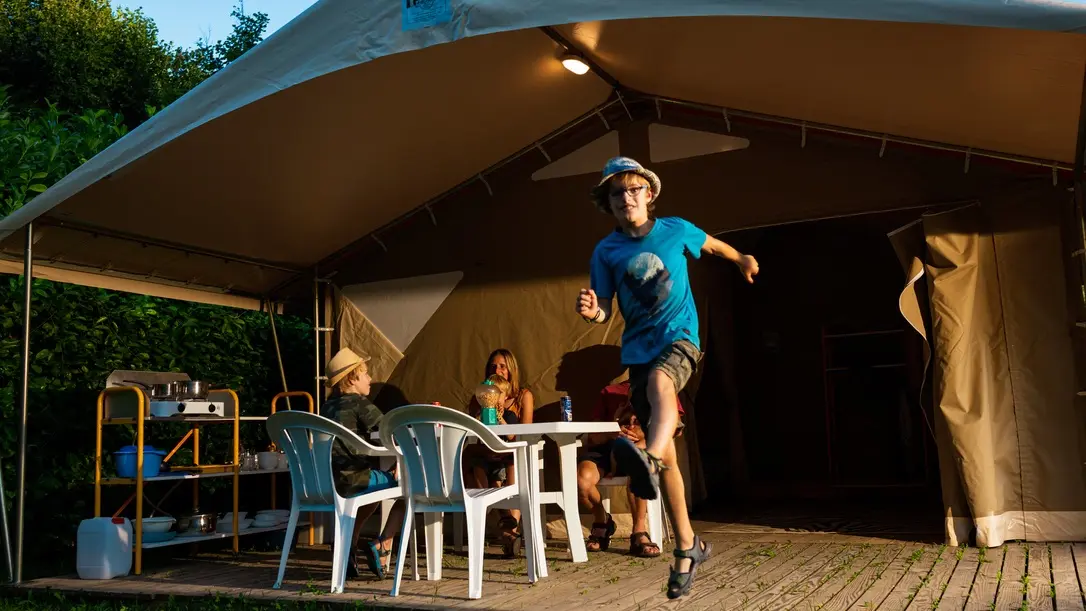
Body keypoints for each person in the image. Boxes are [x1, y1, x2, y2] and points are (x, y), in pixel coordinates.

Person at [575, 157, 759, 599]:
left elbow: (714, 246)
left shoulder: (676, 229)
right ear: (609, 203)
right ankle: (688, 547)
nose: (626, 198)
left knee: (662, 386)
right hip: (637, 353)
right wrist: (592, 310)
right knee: (671, 453)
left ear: (649, 194)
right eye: (617, 194)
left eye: (634, 189)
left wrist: (742, 259)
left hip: (680, 340)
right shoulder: (606, 251)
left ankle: (649, 461)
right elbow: (603, 306)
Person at [320, 348, 403, 580]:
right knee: (413, 486)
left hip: (327, 481)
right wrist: (402, 461)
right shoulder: (358, 403)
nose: (370, 379)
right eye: (365, 374)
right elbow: (390, 430)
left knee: (373, 494)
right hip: (354, 478)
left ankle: (348, 545)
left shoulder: (327, 407)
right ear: (353, 379)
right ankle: (382, 544)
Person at [577, 380, 684, 557]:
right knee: (582, 480)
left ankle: (638, 532)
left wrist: (645, 441)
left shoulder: (664, 387)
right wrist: (612, 431)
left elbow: (675, 427)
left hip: (642, 448)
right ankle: (602, 521)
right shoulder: (610, 391)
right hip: (608, 448)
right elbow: (593, 436)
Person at [463, 348, 535, 557]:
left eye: (502, 366)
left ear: (511, 370)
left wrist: (504, 446)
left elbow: (525, 432)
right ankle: (508, 533)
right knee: (477, 466)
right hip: (486, 454)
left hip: (513, 452)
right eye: (493, 366)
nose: (498, 370)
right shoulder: (479, 397)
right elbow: (473, 432)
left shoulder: (523, 395)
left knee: (511, 463)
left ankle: (509, 531)